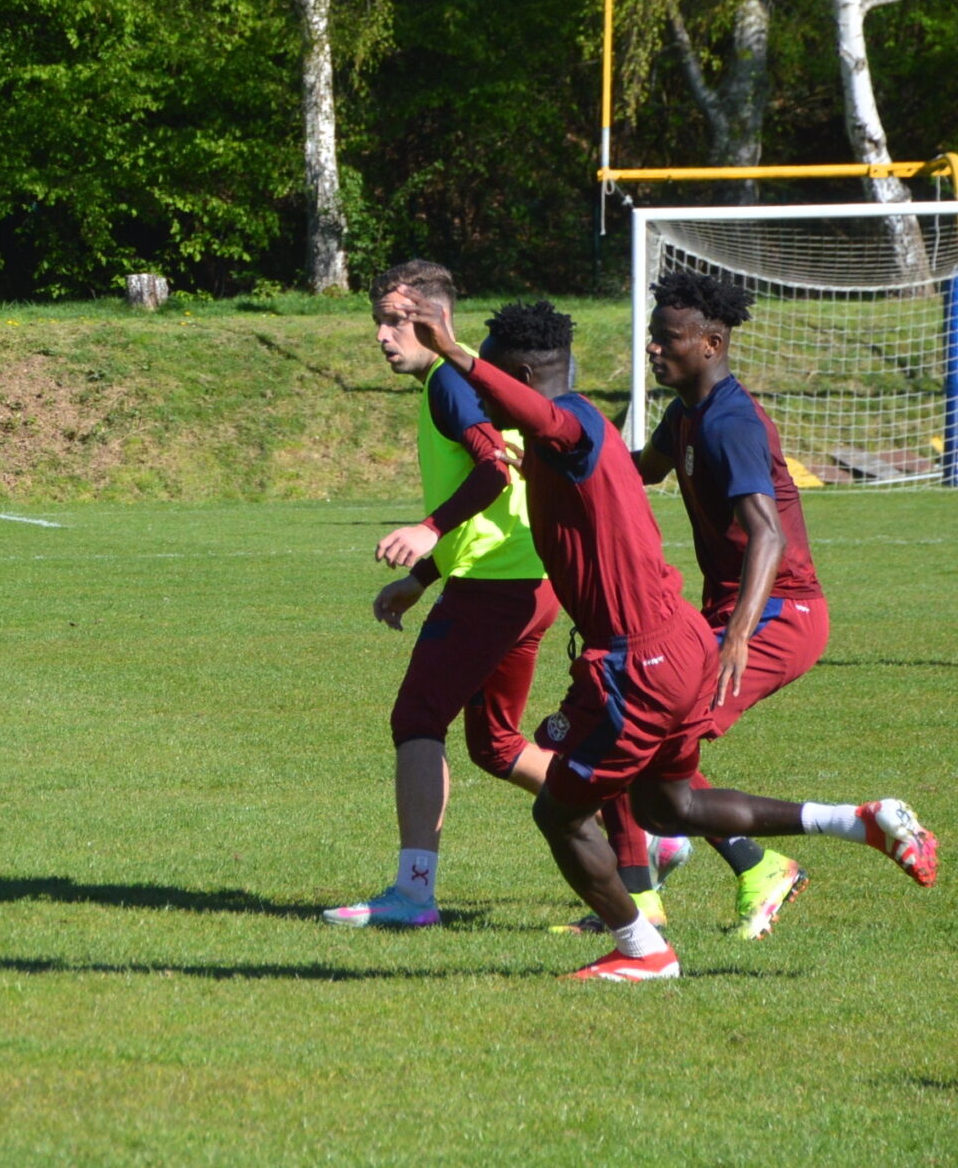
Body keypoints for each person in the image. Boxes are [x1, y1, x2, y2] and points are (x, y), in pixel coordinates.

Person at [381, 286, 935, 981]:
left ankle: (643, 945)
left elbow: (759, 528)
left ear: (518, 381)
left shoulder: (574, 427)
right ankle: (857, 821)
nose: (478, 400)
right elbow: (610, 466)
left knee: (559, 810)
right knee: (664, 800)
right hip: (670, 641)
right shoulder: (595, 428)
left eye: (489, 379)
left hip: (644, 660)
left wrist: (455, 352)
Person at [567, 271, 828, 940]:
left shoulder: (731, 423)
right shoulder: (686, 413)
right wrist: (560, 462)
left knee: (637, 725)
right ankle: (705, 870)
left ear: (711, 343)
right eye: (654, 337)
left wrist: (740, 634)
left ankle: (702, 877)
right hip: (726, 612)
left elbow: (766, 533)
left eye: (667, 338)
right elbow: (638, 470)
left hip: (778, 613)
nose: (654, 349)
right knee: (630, 718)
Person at [325, 262, 558, 929]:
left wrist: (428, 531)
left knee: (417, 717)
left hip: (495, 588)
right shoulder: (464, 378)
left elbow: (494, 467)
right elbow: (501, 486)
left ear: (435, 320)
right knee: (498, 745)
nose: (381, 334)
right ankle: (639, 835)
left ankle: (413, 893)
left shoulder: (450, 382)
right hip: (524, 580)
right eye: (379, 319)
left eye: (396, 319)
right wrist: (423, 578)